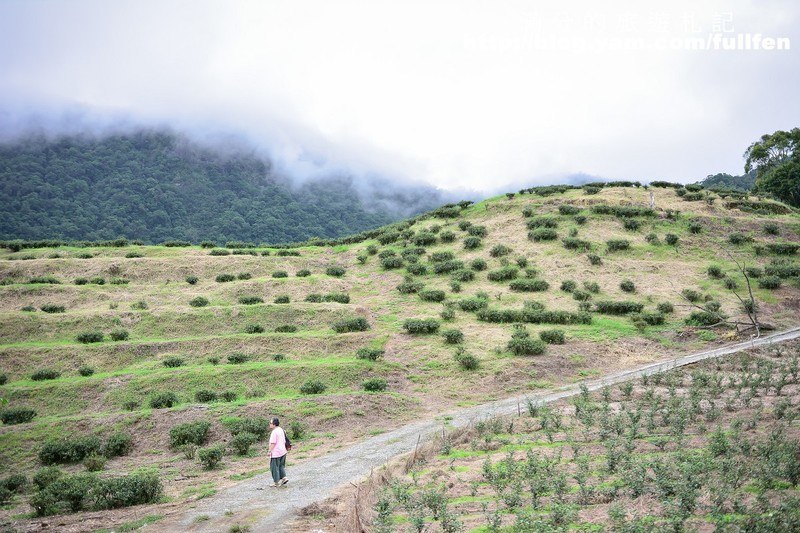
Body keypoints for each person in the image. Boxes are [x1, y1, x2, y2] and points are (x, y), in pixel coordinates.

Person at [268, 417, 289, 487]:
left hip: (276, 453)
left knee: (274, 467)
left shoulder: (274, 432)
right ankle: (284, 478)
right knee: (281, 465)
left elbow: (273, 443)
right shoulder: (281, 429)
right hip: (283, 451)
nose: (269, 424)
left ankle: (276, 482)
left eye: (270, 423)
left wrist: (269, 451)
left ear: (274, 424)